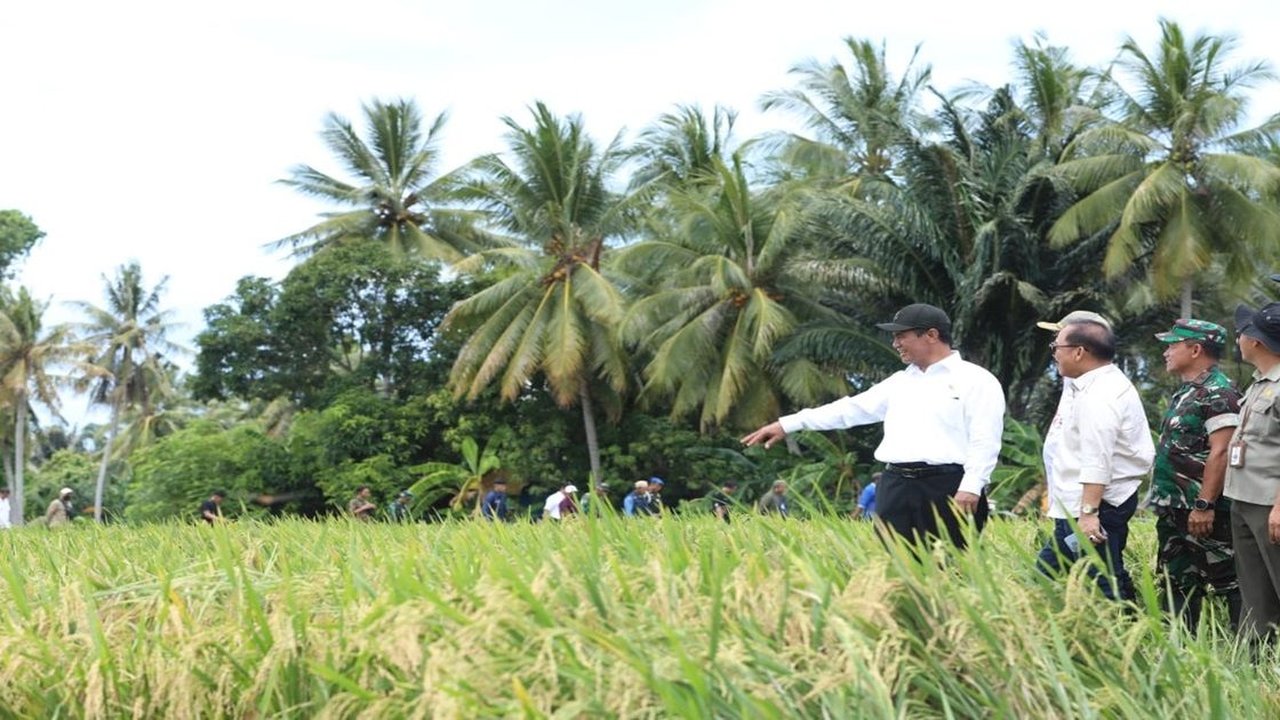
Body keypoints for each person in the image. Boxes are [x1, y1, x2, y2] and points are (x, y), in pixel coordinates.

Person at [742, 303, 1005, 549]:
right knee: (896, 563)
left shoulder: (976, 381)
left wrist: (971, 486)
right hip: (896, 486)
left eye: (902, 336)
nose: (895, 343)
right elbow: (849, 410)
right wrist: (788, 424)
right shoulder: (900, 382)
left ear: (931, 335)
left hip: (949, 486)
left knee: (952, 563)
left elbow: (985, 439)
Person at [1037, 318, 1154, 601]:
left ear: (1079, 352)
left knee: (1098, 579)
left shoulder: (1100, 395)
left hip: (1095, 505)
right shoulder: (1096, 384)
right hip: (1091, 503)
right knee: (1103, 573)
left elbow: (1097, 458)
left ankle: (1126, 625)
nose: (1054, 354)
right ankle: (1133, 619)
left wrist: (1089, 514)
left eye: (1057, 347)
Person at [1147, 319, 1242, 630]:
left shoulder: (1219, 393)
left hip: (1202, 510)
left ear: (1196, 349)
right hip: (1175, 508)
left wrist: (1204, 504)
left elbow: (1222, 452)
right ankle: (1179, 646)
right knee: (1176, 580)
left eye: (1172, 345)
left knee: (1229, 580)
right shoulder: (1188, 392)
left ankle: (1249, 650)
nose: (1166, 352)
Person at [1224, 302, 1280, 641]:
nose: (1239, 339)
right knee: (1255, 592)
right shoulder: (1259, 383)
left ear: (1256, 341)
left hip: (1269, 505)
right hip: (1244, 499)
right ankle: (1257, 662)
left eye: (1243, 333)